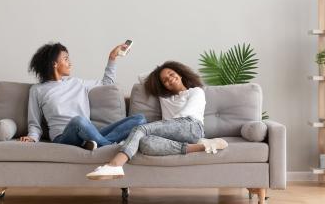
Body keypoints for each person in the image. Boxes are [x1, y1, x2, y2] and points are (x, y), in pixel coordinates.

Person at [86, 61, 228, 180]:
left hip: (191, 126)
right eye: (165, 80)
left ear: (180, 73)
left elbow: (186, 114)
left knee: (141, 129)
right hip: (174, 134)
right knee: (144, 143)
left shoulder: (196, 91)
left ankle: (115, 165)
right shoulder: (164, 97)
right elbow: (142, 77)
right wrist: (159, 73)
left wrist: (159, 127)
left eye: (172, 74)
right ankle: (202, 146)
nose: (170, 79)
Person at [20, 42, 146, 149]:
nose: (70, 63)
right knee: (78, 121)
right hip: (63, 137)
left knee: (140, 119)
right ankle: (107, 147)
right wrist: (32, 137)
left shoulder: (77, 83)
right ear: (54, 63)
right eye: (66, 59)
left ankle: (94, 143)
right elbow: (34, 123)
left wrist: (112, 57)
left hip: (88, 132)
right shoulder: (37, 90)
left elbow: (107, 83)